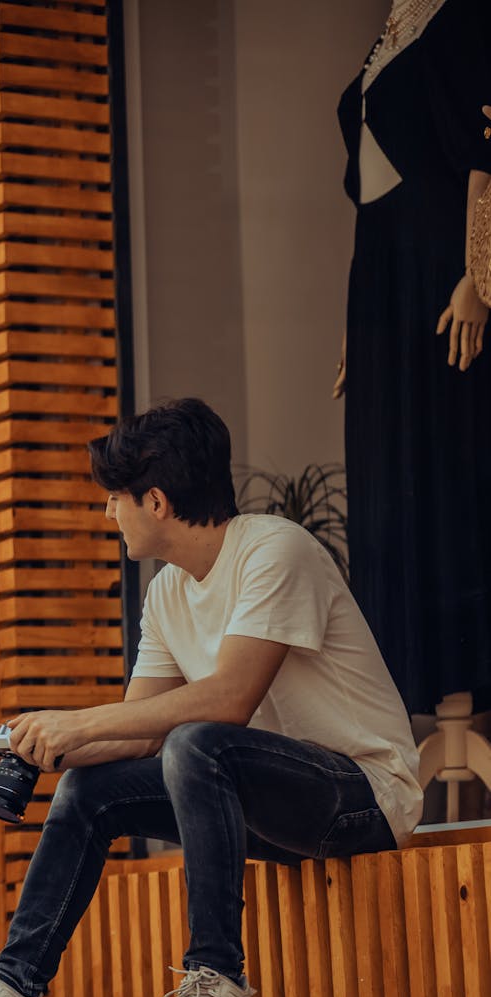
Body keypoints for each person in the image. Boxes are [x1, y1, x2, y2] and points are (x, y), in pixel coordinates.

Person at [0, 398, 423, 997]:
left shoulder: (275, 551)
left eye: (115, 499)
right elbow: (137, 733)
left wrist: (79, 721)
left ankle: (218, 990)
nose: (109, 513)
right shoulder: (167, 592)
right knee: (90, 786)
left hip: (364, 795)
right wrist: (45, 742)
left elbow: (228, 697)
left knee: (198, 742)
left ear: (157, 501)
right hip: (266, 800)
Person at [334, 0, 491, 716]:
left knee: (448, 467)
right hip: (379, 280)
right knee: (386, 484)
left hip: (438, 269)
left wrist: (479, 274)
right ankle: (413, 689)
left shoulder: (462, 16)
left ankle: (468, 691)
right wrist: (355, 329)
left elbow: (486, 154)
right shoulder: (391, 29)